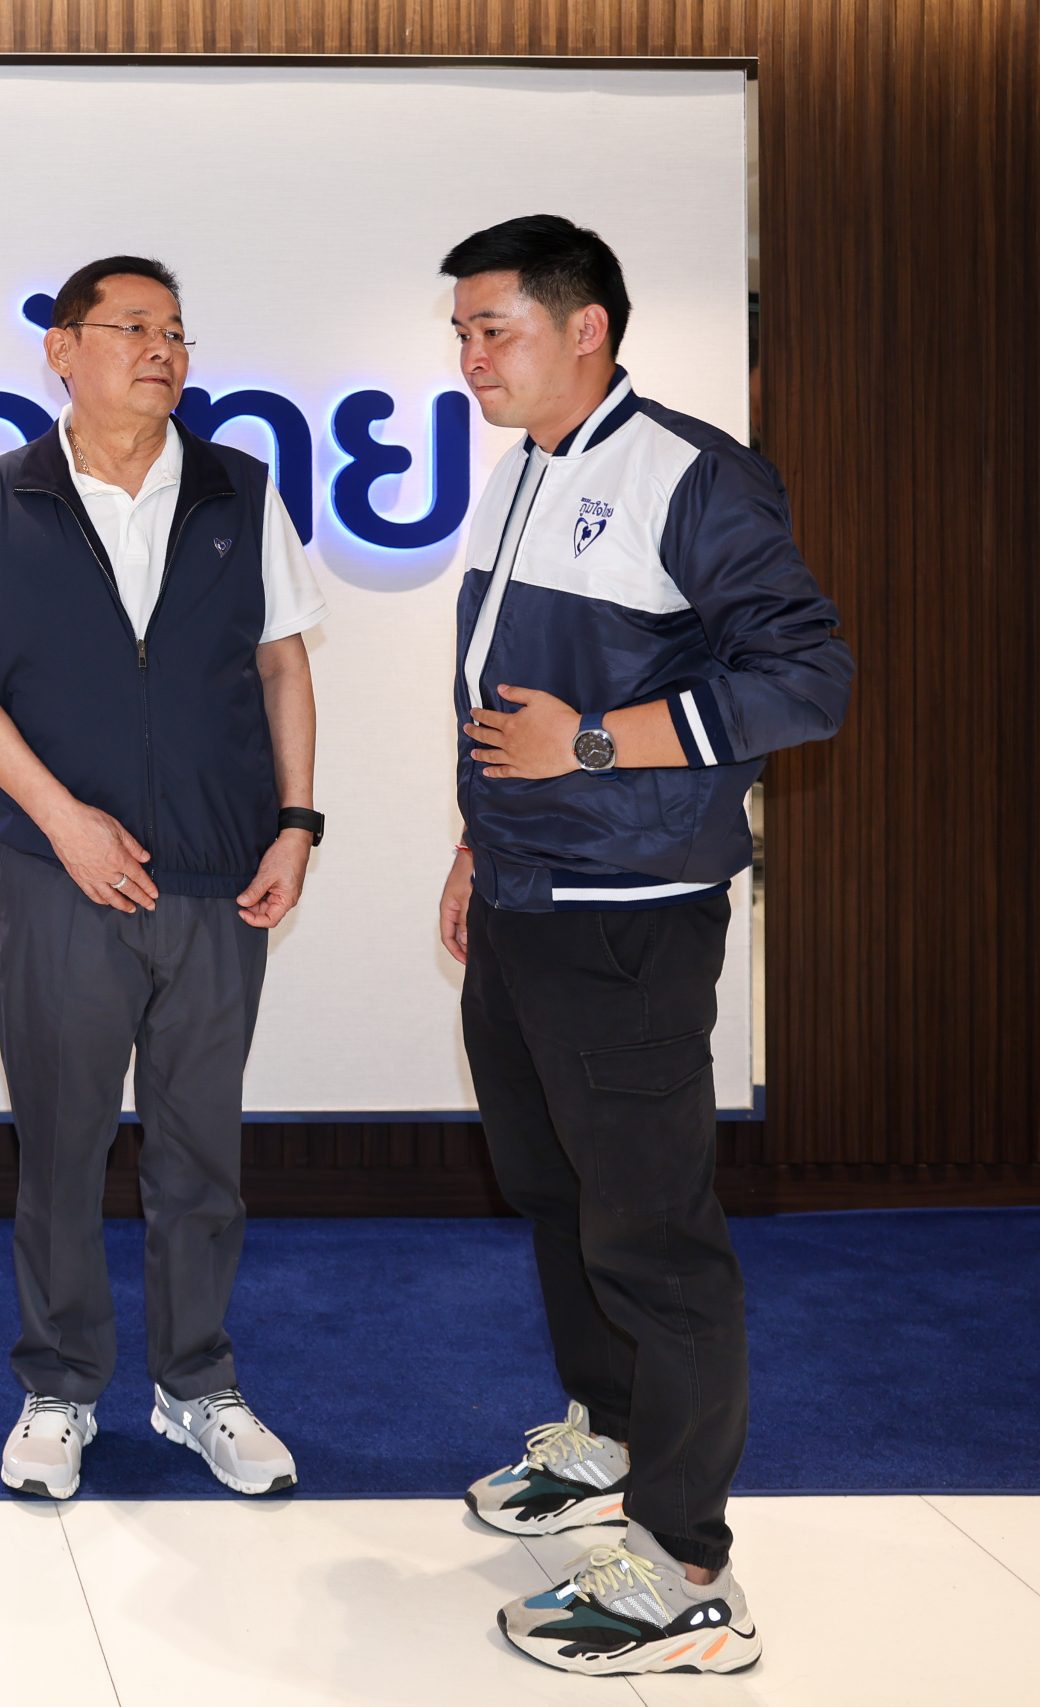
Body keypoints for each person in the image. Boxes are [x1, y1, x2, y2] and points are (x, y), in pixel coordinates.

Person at [437, 214, 852, 1676]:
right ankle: (609, 1441)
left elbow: (809, 678)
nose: (469, 357)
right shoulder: (522, 467)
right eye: (460, 333)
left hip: (631, 917)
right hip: (525, 898)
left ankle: (686, 1569)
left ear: (586, 326)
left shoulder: (689, 472)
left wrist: (600, 742)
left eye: (493, 327)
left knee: (654, 1231)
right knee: (557, 1189)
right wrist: (479, 839)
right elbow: (505, 700)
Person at [0, 255, 327, 1504]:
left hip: (217, 877)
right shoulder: (2, 497)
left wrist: (296, 824)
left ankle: (196, 1384)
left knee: (202, 1152)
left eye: (176, 332)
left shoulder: (239, 489)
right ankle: (59, 1386)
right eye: (133, 327)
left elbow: (282, 664)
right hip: (60, 884)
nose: (161, 350)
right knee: (61, 1144)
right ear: (62, 348)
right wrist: (64, 823)